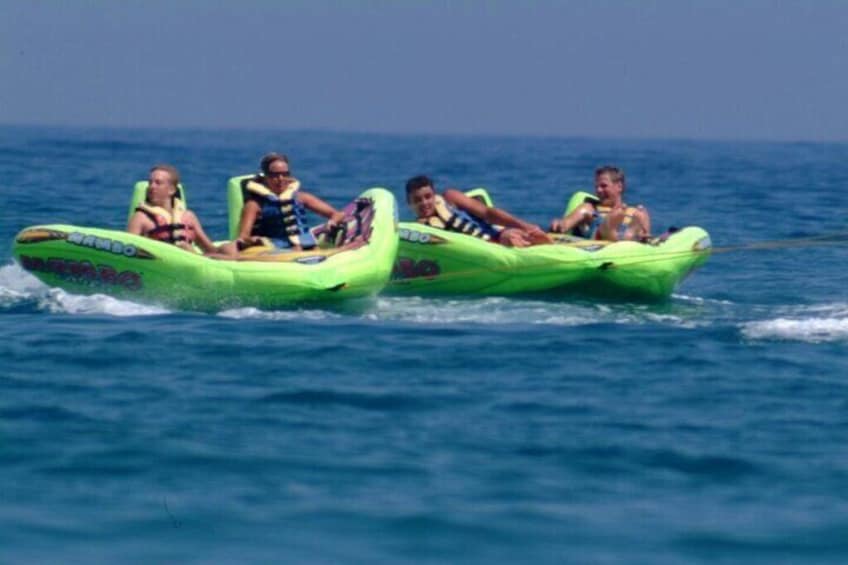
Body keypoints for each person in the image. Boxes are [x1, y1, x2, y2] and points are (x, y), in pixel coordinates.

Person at [236, 153, 345, 251]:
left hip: (305, 244)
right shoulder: (254, 205)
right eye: (275, 175)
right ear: (265, 177)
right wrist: (253, 241)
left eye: (285, 174)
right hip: (275, 247)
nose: (281, 179)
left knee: (309, 249)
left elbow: (337, 214)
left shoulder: (301, 197)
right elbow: (243, 236)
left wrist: (332, 222)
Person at [405, 175, 551, 247]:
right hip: (478, 254)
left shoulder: (450, 198)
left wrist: (524, 226)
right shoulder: (419, 232)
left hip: (497, 237)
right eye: (417, 200)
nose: (424, 203)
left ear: (434, 194)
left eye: (428, 197)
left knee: (514, 237)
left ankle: (543, 243)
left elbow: (488, 213)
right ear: (409, 204)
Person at [127, 164, 237, 257]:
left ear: (172, 190)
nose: (151, 187)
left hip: (191, 262)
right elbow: (128, 252)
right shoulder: (140, 218)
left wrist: (230, 249)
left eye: (158, 183)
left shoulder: (188, 217)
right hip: (160, 264)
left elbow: (210, 250)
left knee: (229, 248)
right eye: (150, 182)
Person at [549, 165, 651, 241]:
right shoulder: (588, 208)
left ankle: (626, 234)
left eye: (603, 186)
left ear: (619, 186)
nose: (598, 190)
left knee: (641, 213)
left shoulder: (635, 213)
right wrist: (558, 224)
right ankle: (609, 230)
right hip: (597, 246)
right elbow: (565, 224)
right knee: (603, 224)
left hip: (626, 250)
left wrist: (644, 237)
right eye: (596, 186)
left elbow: (647, 240)